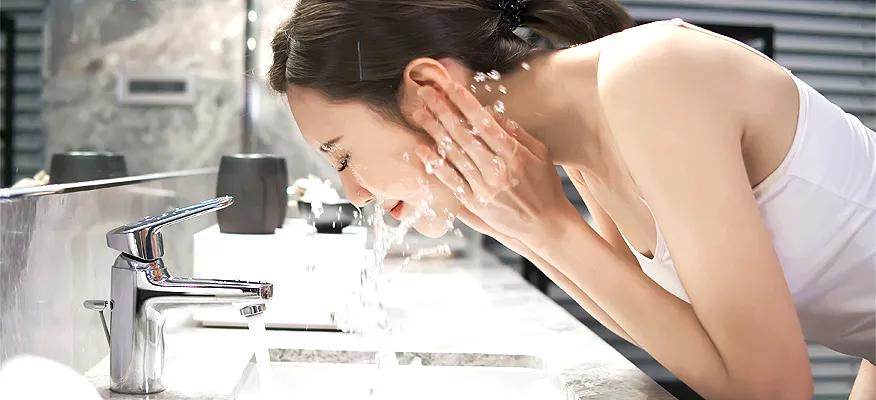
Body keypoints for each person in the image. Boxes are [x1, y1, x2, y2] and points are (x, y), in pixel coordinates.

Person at [267, 1, 876, 398]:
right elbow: (655, 318)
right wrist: (512, 219)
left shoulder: (651, 78)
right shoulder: (581, 126)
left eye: (341, 154)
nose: (355, 192)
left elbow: (772, 391)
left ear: (427, 87)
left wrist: (551, 226)